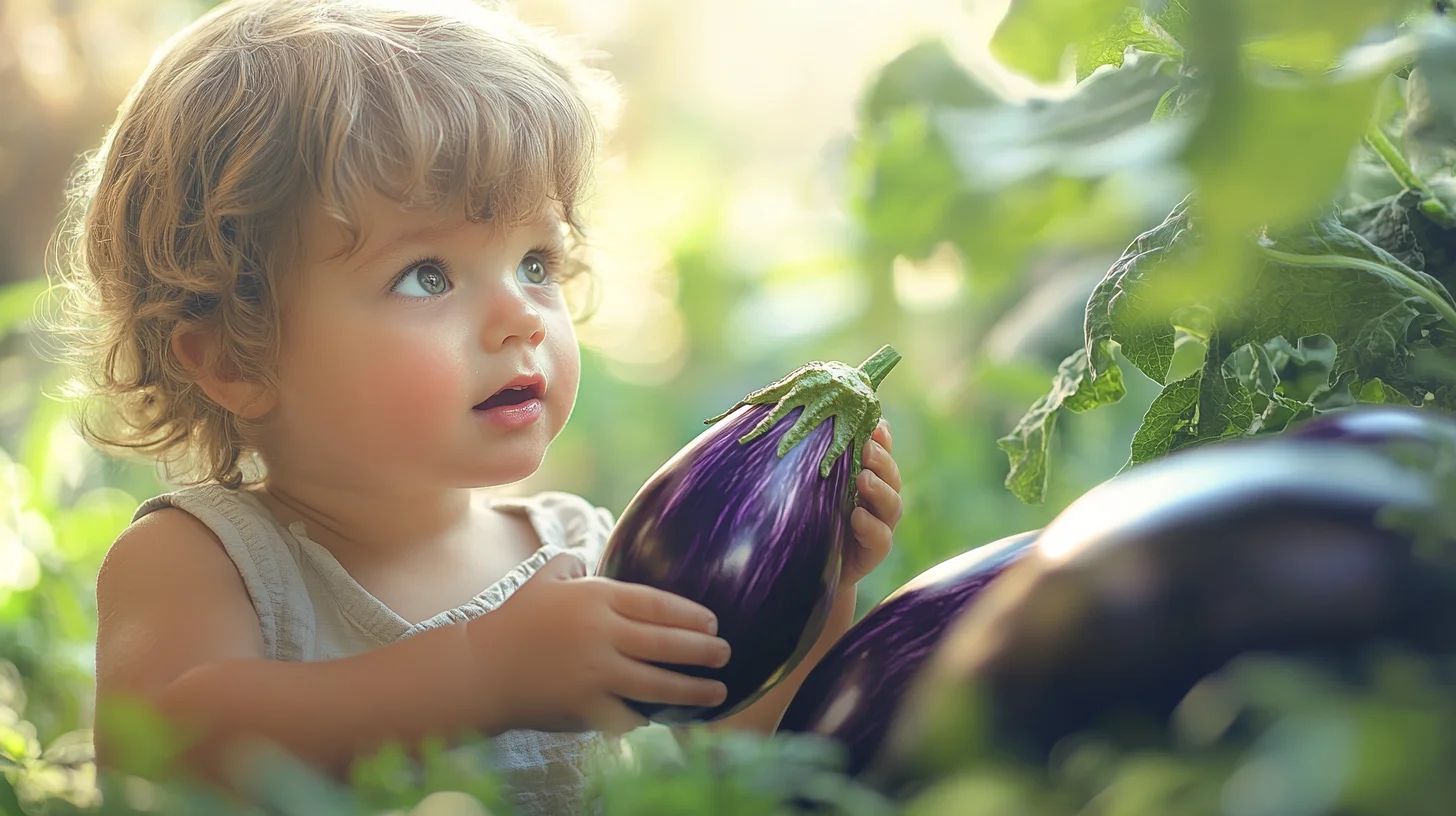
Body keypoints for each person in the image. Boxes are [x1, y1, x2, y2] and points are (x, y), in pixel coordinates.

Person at [47, 0, 904, 812]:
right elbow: (163, 753)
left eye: (537, 261)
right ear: (236, 355)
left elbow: (734, 756)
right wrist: (479, 675)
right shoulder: (205, 561)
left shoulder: (586, 550)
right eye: (428, 276)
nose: (519, 317)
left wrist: (817, 594)